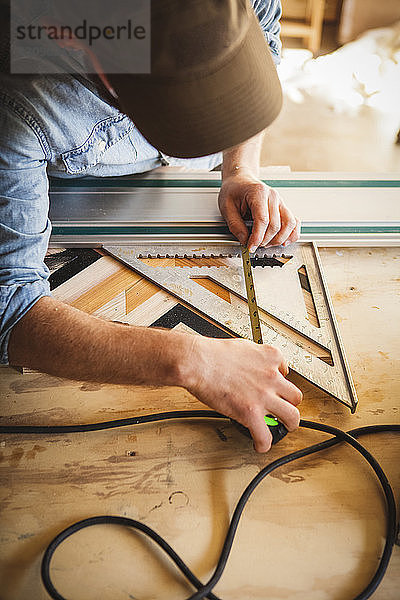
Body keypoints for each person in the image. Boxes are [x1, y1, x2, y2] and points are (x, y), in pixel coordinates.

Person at [0, 0, 302, 452]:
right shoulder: (16, 102)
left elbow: (264, 29)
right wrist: (190, 359)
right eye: (174, 99)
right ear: (69, 34)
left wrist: (239, 168)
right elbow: (10, 305)